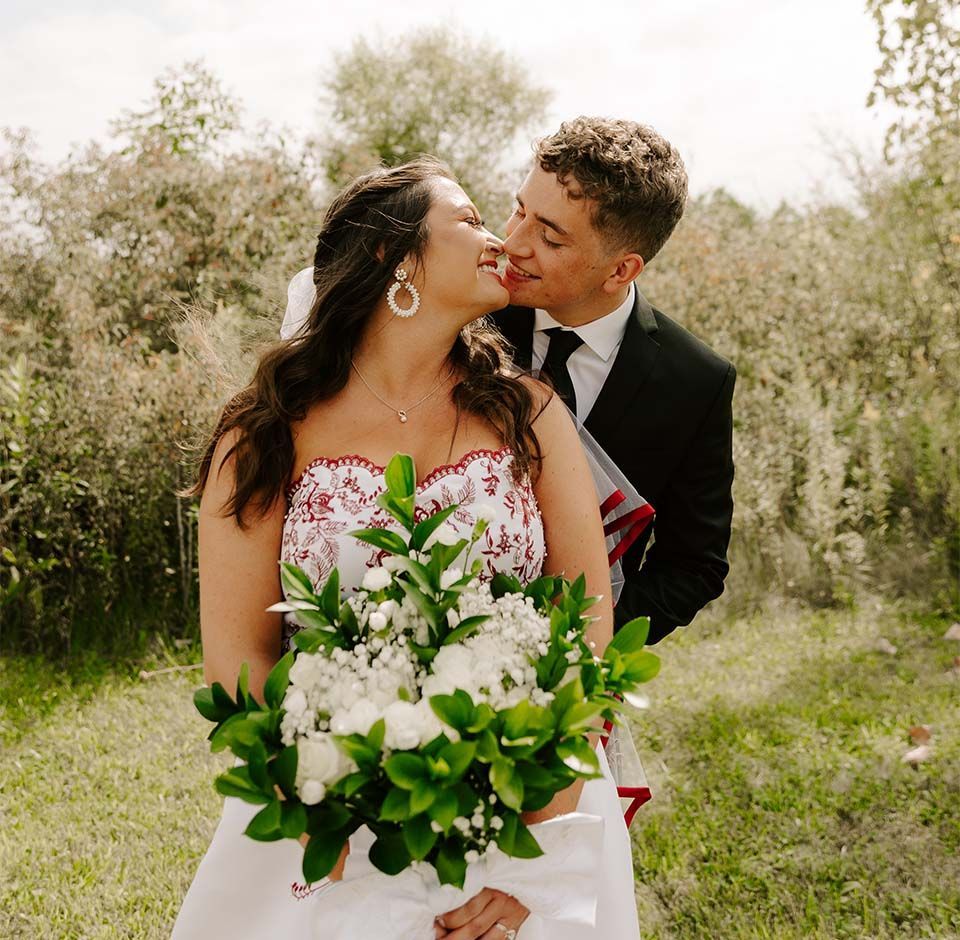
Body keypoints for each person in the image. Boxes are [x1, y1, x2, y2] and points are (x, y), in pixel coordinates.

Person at [172, 157, 641, 939]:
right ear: (398, 257)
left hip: (530, 799)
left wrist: (532, 859)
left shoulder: (531, 413)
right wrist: (342, 821)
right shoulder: (261, 433)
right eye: (469, 220)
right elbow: (237, 663)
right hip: (324, 828)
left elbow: (589, 631)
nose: (499, 239)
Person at [490, 117, 736, 645]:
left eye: (549, 236)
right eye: (519, 209)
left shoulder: (696, 381)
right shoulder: (466, 318)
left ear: (621, 271)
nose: (513, 243)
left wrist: (585, 642)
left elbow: (694, 565)